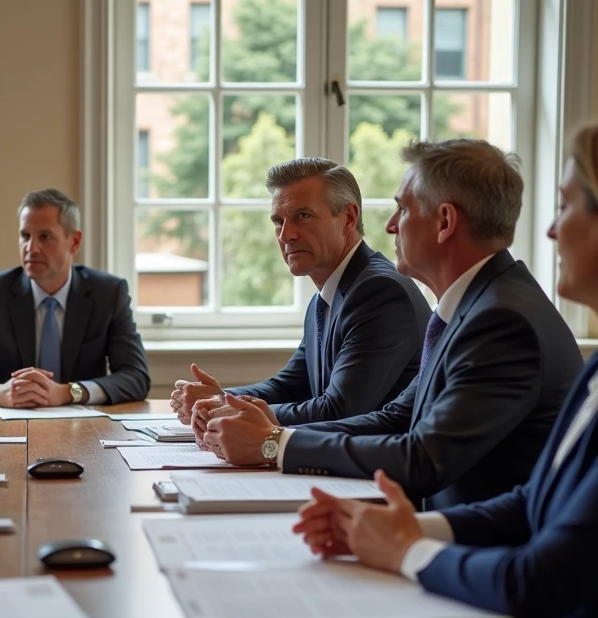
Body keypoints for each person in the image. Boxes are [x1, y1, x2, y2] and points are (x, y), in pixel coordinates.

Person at [294, 115, 598, 618]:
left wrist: (407, 550)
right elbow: (536, 503)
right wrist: (405, 527)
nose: (551, 231)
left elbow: (540, 580)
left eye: (565, 208)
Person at [204, 139, 584, 509]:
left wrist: (274, 443)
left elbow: (423, 457)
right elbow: (397, 418)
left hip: (476, 546)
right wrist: (271, 435)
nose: (389, 226)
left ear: (445, 221)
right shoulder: (476, 305)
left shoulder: (501, 321)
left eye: (402, 209)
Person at [167, 158, 430, 432]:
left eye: (302, 216)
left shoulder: (379, 292)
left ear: (349, 218)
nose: (285, 235)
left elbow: (339, 409)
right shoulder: (325, 296)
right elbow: (292, 385)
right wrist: (218, 399)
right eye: (278, 221)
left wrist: (232, 409)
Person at [0, 188, 150, 407]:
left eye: (45, 237)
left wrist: (70, 392)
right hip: (10, 427)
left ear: (75, 241)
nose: (31, 248)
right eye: (25, 236)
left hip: (84, 430)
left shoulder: (108, 293)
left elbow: (136, 376)